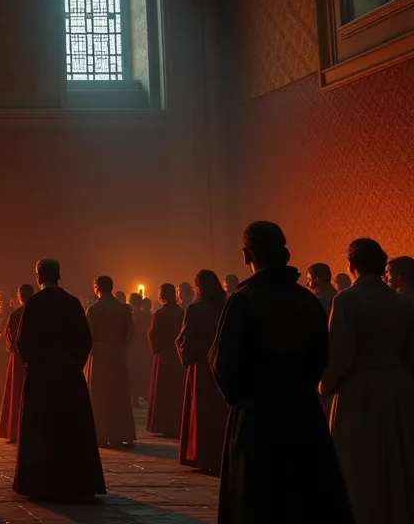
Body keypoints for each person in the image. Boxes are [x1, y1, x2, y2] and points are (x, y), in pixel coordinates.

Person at [211, 221, 352, 523]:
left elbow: (223, 364)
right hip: (302, 411)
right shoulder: (307, 300)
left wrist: (240, 397)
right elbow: (320, 357)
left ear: (246, 254)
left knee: (255, 498)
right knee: (302, 497)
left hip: (255, 414)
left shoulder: (243, 300)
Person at [321, 239, 414, 524]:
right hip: (398, 386)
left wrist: (325, 386)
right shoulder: (401, 302)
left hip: (358, 388)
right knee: (394, 462)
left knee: (358, 463)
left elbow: (340, 353)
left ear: (352, 265)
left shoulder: (346, 300)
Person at [13, 258, 105, 501]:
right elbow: (85, 340)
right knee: (70, 429)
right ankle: (74, 482)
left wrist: (31, 364)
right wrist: (73, 365)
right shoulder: (72, 303)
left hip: (41, 376)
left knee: (42, 430)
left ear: (38, 277)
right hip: (68, 376)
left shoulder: (33, 304)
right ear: (59, 275)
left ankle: (41, 483)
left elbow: (22, 341)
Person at [176, 270, 228, 475]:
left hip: (201, 367)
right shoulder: (225, 306)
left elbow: (186, 339)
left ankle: (202, 455)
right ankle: (221, 455)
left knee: (201, 411)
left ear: (199, 287)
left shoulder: (195, 309)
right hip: (222, 365)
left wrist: (184, 355)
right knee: (220, 411)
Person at [85, 275, 135, 448]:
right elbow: (130, 335)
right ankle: (119, 433)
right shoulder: (124, 308)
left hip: (99, 355)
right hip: (118, 354)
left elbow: (87, 335)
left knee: (99, 395)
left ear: (97, 287)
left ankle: (100, 433)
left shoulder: (94, 309)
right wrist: (120, 348)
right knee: (118, 394)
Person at [147, 283, 185, 438]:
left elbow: (152, 335)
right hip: (177, 355)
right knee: (176, 390)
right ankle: (176, 423)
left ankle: (163, 424)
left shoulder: (159, 313)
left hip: (163, 355)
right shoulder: (181, 312)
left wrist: (156, 351)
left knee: (163, 389)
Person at [0, 283, 32, 443]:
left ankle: (14, 430)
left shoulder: (16, 314)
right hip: (36, 360)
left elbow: (10, 342)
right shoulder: (38, 314)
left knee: (16, 394)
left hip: (18, 361)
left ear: (19, 296)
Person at [126, 294, 151, 408]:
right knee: (144, 373)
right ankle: (145, 396)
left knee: (133, 374)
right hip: (145, 349)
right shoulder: (147, 316)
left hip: (132, 349)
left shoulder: (129, 316)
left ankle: (135, 399)